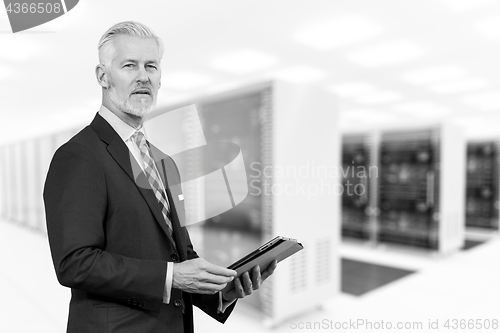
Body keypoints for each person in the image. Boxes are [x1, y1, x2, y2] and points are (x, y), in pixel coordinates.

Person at [43, 21, 277, 333]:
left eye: (151, 66)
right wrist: (171, 277)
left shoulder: (162, 160)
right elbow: (75, 263)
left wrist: (224, 289)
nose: (143, 76)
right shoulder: (79, 156)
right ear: (103, 76)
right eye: (129, 65)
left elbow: (181, 257)